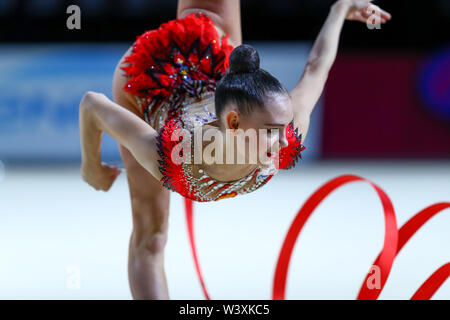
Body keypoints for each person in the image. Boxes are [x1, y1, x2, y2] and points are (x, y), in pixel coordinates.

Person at [79, 0, 391, 299]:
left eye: (282, 129)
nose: (284, 143)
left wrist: (340, 9)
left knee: (210, 20)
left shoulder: (283, 135)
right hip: (150, 77)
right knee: (151, 236)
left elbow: (315, 68)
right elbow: (92, 104)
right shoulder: (173, 156)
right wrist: (91, 167)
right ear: (233, 123)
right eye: (271, 133)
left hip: (213, 50)